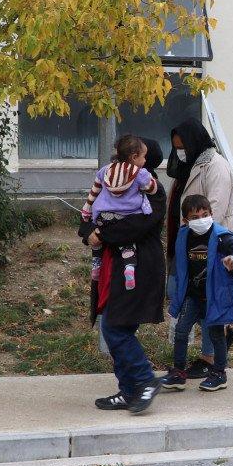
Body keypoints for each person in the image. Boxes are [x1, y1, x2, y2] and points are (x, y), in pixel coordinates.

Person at [82, 137, 168, 415]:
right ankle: (129, 390)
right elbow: (89, 214)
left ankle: (144, 379)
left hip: (139, 267)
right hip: (111, 267)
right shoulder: (109, 182)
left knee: (114, 328)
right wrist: (89, 233)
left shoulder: (153, 193)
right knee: (118, 327)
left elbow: (136, 226)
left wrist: (101, 233)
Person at [166, 119, 233, 378]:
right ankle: (213, 346)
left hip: (209, 247)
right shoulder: (188, 165)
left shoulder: (215, 166)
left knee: (210, 302)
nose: (179, 152)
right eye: (175, 147)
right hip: (185, 244)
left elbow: (215, 212)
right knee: (181, 293)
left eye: (182, 146)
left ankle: (211, 358)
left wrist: (198, 239)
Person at [160, 194, 233, 392]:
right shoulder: (184, 236)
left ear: (211, 214)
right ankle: (178, 372)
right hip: (192, 295)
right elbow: (180, 265)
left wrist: (232, 261)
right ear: (186, 220)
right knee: (181, 331)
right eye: (195, 217)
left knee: (216, 334)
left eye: (204, 215)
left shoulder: (221, 236)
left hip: (214, 296)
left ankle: (219, 373)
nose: (200, 220)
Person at [81, 134, 157, 281]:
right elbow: (152, 189)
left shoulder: (105, 170)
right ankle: (129, 266)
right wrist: (150, 182)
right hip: (124, 219)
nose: (145, 160)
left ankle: (96, 264)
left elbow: (94, 191)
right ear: (135, 157)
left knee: (97, 242)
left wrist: (87, 210)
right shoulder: (140, 174)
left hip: (102, 216)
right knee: (128, 245)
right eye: (143, 156)